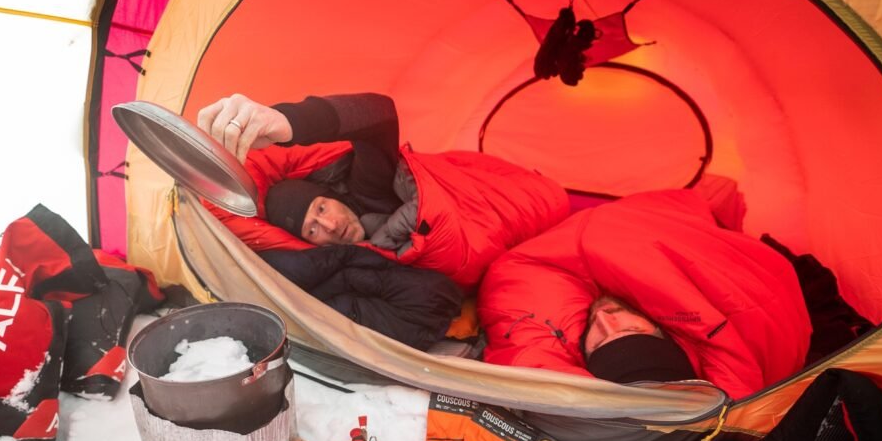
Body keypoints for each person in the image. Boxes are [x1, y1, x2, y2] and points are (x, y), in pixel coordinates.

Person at [197, 92, 571, 291]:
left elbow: (381, 113)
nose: (330, 226)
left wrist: (289, 121)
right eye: (312, 229)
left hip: (513, 196)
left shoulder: (368, 190)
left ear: (334, 195)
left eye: (322, 209)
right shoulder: (341, 265)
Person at [478, 188, 812, 400]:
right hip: (653, 216)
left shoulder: (562, 307)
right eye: (631, 328)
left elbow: (521, 291)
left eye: (597, 342)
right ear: (664, 333)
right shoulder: (695, 318)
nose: (604, 319)